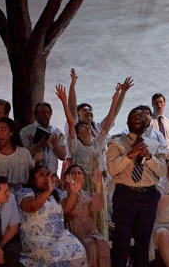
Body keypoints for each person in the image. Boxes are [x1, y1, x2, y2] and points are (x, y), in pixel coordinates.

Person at [56, 79, 133, 236]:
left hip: (97, 181)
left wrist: (116, 98)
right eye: (84, 110)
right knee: (81, 214)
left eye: (90, 110)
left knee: (99, 212)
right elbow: (71, 118)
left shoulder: (97, 138)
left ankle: (100, 238)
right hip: (80, 181)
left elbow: (111, 119)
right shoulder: (75, 141)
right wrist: (67, 95)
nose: (88, 113)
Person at [107, 105, 168, 267]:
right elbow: (112, 168)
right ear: (128, 121)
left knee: (143, 240)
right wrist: (130, 155)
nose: (138, 119)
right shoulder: (116, 142)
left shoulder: (154, 144)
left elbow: (163, 171)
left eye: (142, 117)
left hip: (148, 196)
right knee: (121, 242)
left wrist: (148, 157)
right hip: (125, 195)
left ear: (147, 123)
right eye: (134, 116)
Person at [18, 164, 89, 267]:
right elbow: (31, 207)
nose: (46, 178)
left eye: (47, 175)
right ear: (33, 179)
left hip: (59, 235)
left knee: (79, 252)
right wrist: (48, 191)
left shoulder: (57, 193)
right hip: (36, 237)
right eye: (41, 175)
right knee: (54, 256)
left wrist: (74, 192)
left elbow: (67, 209)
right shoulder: (25, 192)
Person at [61, 164, 113, 267]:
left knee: (102, 244)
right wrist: (74, 191)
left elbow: (98, 207)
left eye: (79, 173)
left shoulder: (86, 194)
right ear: (67, 177)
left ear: (84, 178)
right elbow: (67, 211)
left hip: (89, 228)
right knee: (89, 247)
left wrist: (98, 185)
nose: (77, 175)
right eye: (73, 173)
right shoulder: (63, 194)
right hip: (74, 229)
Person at [19, 101, 67, 175]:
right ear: (35, 115)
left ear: (51, 114)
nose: (45, 114)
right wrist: (39, 145)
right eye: (42, 112)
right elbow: (22, 156)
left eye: (48, 112)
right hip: (34, 174)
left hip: (52, 175)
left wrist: (56, 145)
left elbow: (63, 156)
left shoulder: (57, 132)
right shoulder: (26, 131)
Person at [151, 93, 169, 157]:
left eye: (161, 102)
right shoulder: (148, 123)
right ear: (152, 104)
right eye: (156, 103)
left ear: (164, 103)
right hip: (154, 158)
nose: (159, 104)